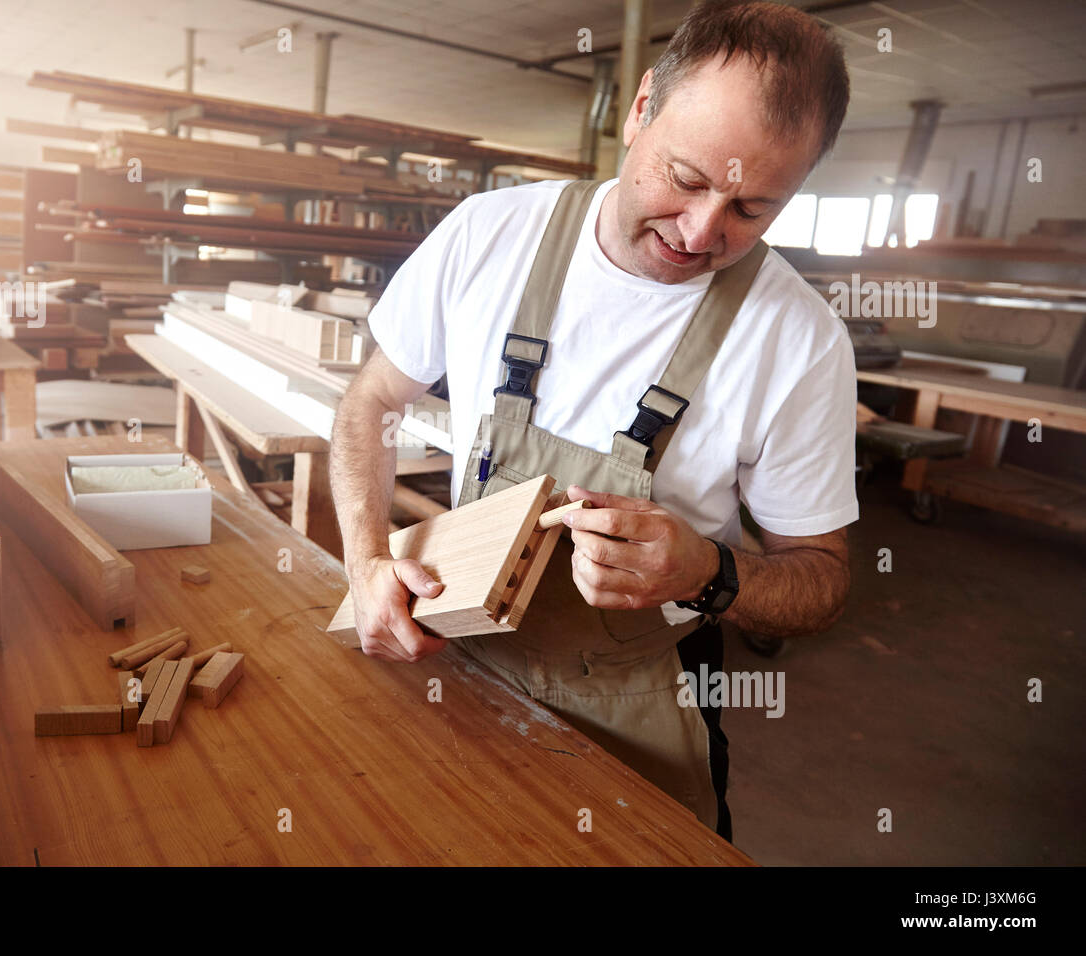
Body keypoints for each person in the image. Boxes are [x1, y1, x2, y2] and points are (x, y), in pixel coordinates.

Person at [329, 0, 858, 841]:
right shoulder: (489, 233)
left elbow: (821, 579)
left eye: (752, 210)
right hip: (448, 645)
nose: (700, 232)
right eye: (685, 181)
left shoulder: (801, 343)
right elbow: (371, 401)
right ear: (642, 106)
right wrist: (365, 561)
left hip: (637, 694)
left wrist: (706, 572)